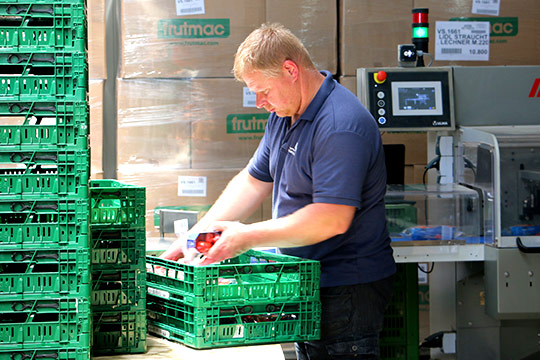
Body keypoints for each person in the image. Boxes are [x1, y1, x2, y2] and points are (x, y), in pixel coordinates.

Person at [161, 23, 396, 359]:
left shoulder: (340, 125)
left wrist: (246, 237)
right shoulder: (286, 113)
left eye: (263, 91)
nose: (259, 102)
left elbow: (331, 219)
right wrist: (199, 234)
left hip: (346, 287)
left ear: (290, 70)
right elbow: (253, 180)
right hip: (306, 278)